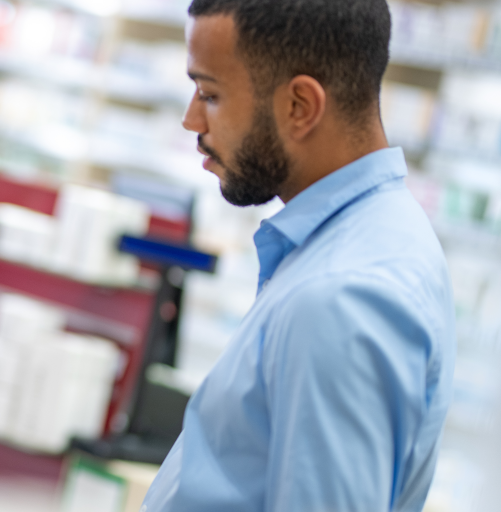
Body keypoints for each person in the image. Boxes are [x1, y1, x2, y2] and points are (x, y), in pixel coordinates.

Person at [141, 1, 455, 511]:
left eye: (211, 94)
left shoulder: (343, 296)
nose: (190, 119)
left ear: (300, 106)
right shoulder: (368, 236)